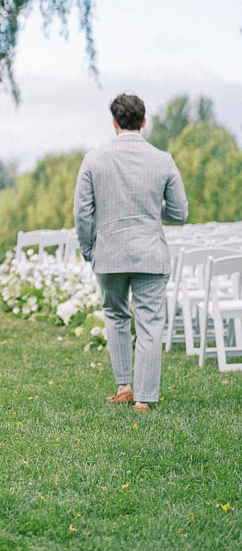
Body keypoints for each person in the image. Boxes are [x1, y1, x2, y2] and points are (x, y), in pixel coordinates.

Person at [73, 91, 188, 412]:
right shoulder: (163, 159)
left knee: (116, 315)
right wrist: (150, 210)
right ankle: (144, 398)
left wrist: (88, 249)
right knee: (150, 322)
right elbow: (180, 212)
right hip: (150, 253)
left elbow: (82, 212)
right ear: (144, 121)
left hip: (108, 252)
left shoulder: (93, 159)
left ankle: (124, 386)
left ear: (114, 123)